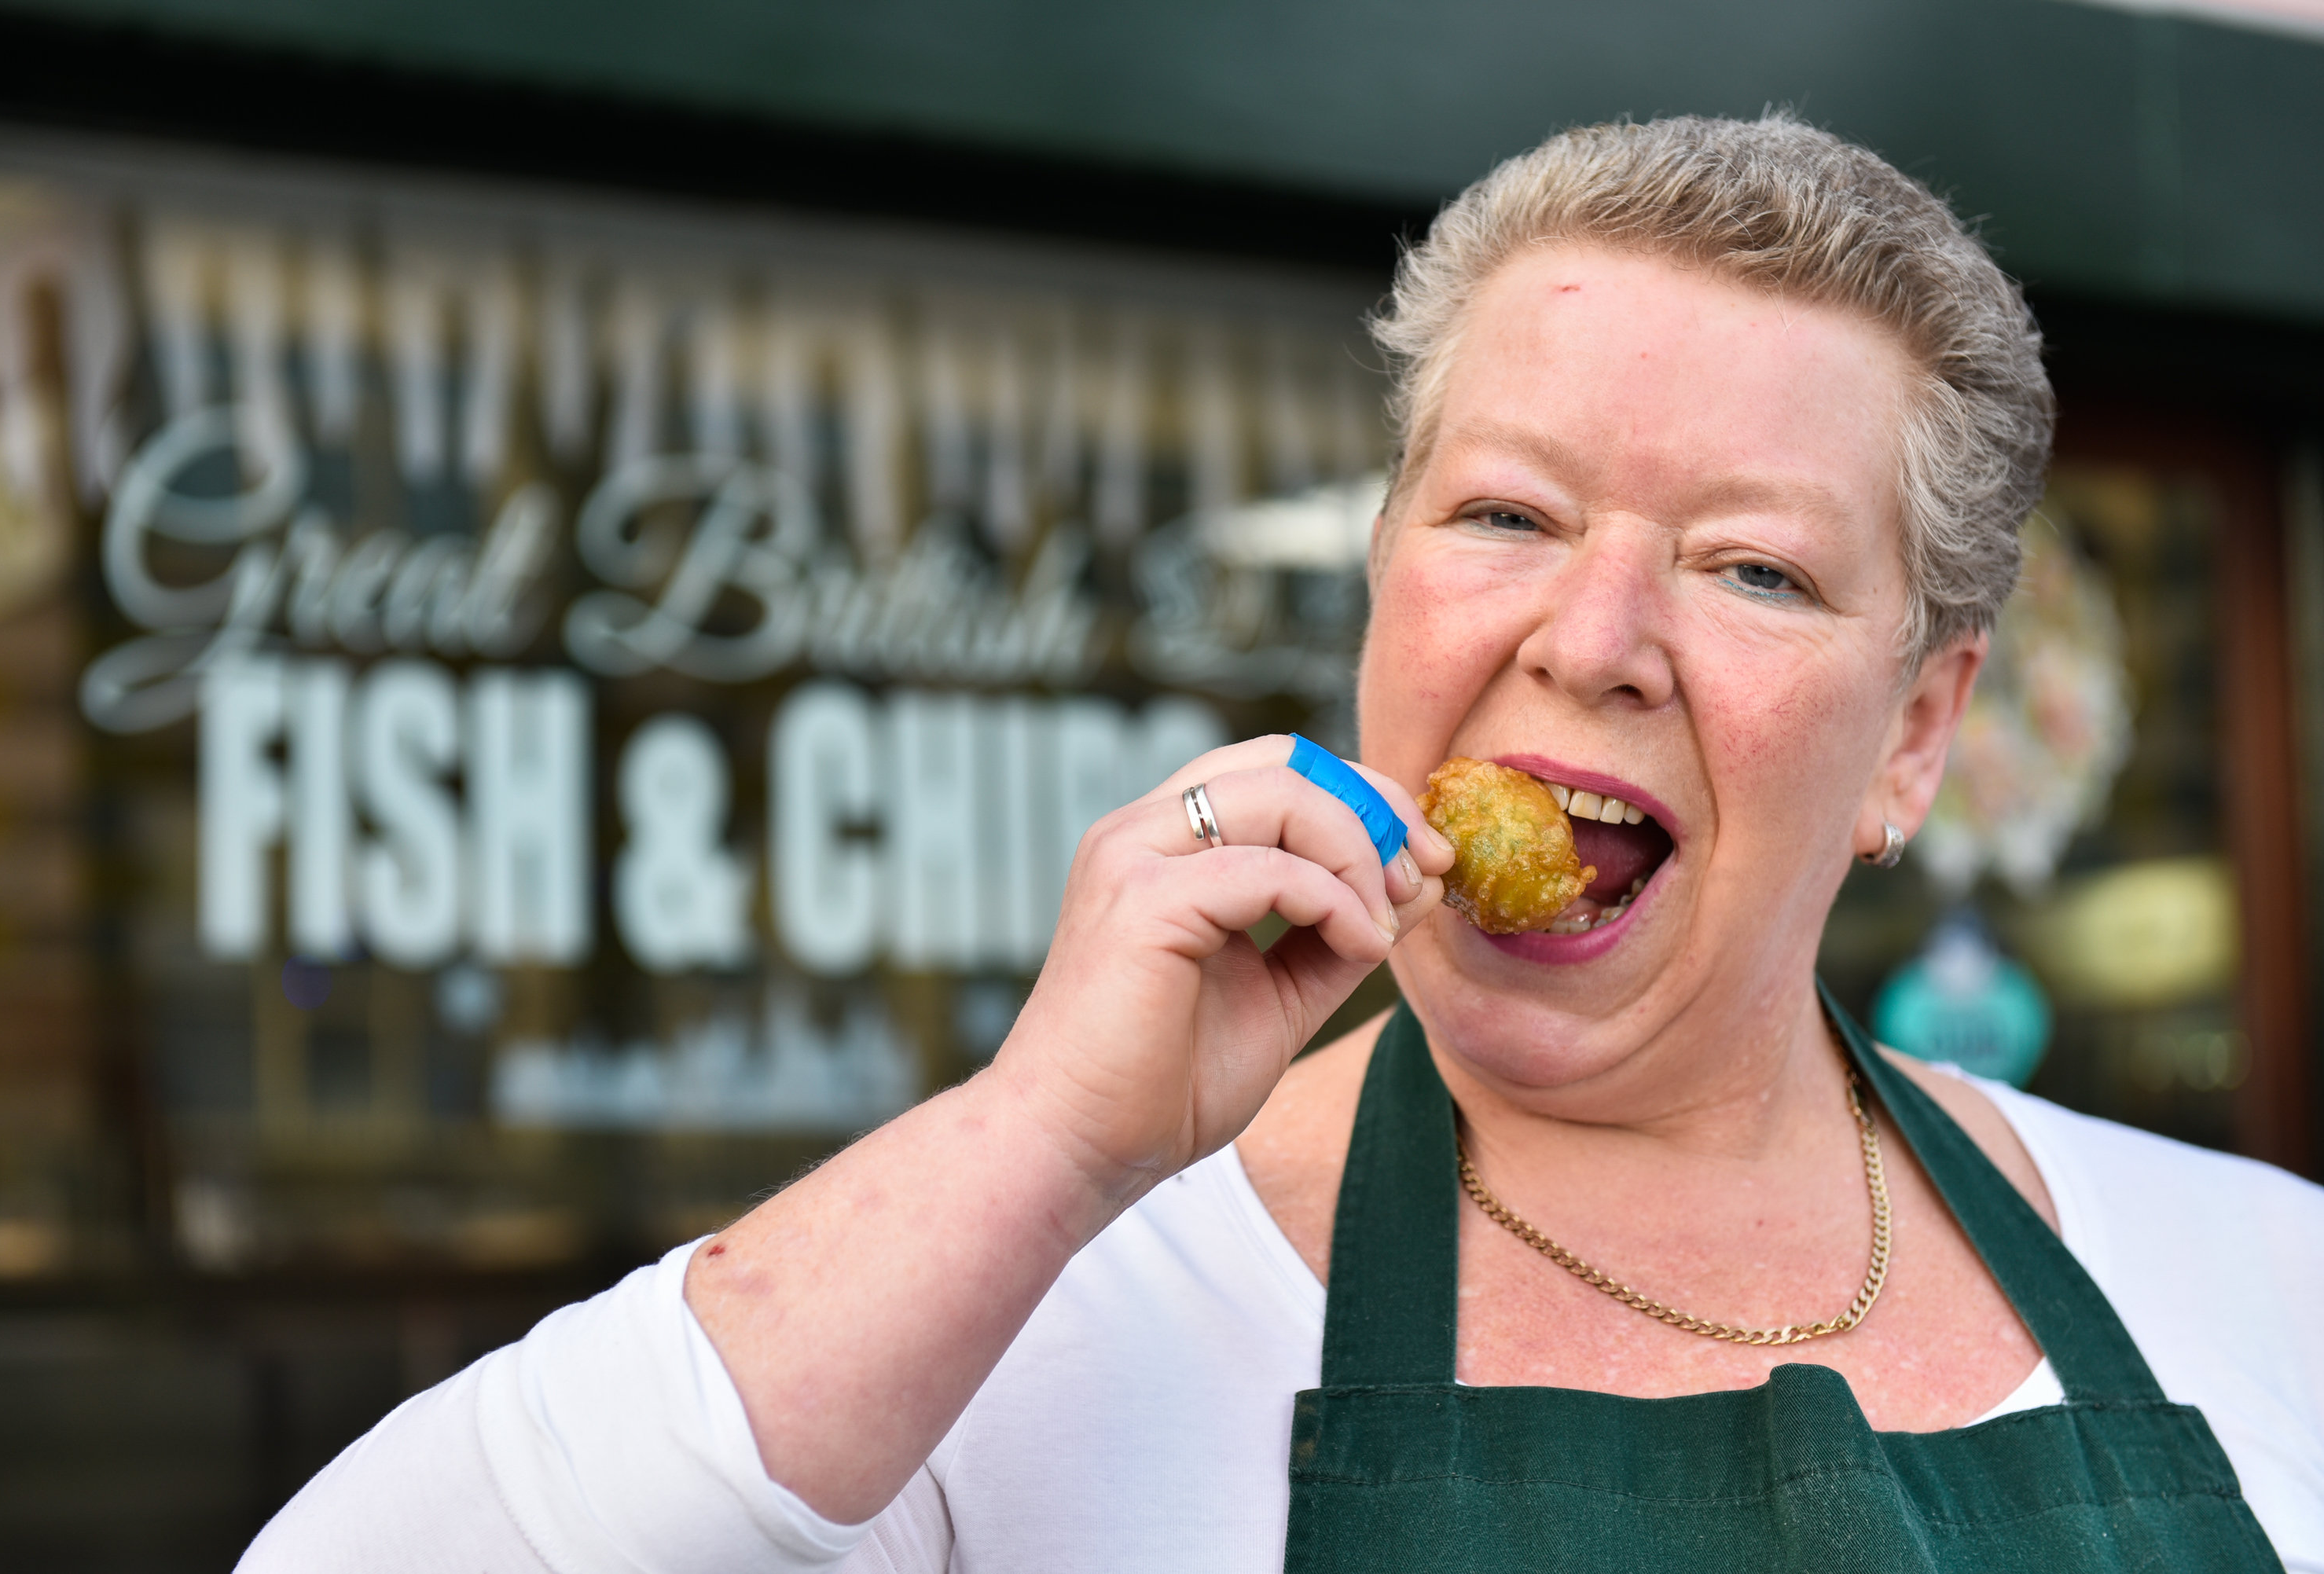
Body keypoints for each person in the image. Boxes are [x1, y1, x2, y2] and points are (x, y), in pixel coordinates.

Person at [240, 115, 2324, 1573]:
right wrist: (1040, 1136)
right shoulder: (1049, 1315)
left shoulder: (2261, 1281)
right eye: (1502, 515)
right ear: (1382, 589)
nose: (1588, 637)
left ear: (1919, 734)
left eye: (1752, 570)